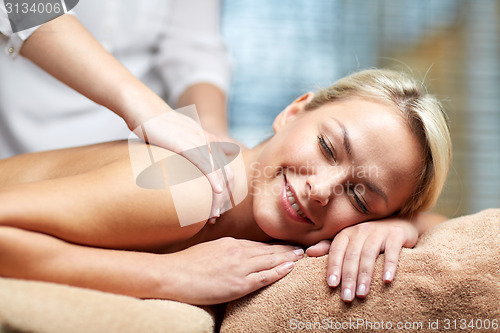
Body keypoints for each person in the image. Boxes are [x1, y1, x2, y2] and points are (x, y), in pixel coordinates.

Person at [0, 69, 451, 304]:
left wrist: (403, 228)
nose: (321, 190)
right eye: (328, 148)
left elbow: (450, 225)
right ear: (293, 113)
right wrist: (170, 277)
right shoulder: (200, 184)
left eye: (358, 196)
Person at [0, 1, 231, 215]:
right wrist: (148, 109)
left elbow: (192, 46)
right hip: (17, 135)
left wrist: (210, 134)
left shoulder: (184, 193)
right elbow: (25, 7)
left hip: (144, 145)